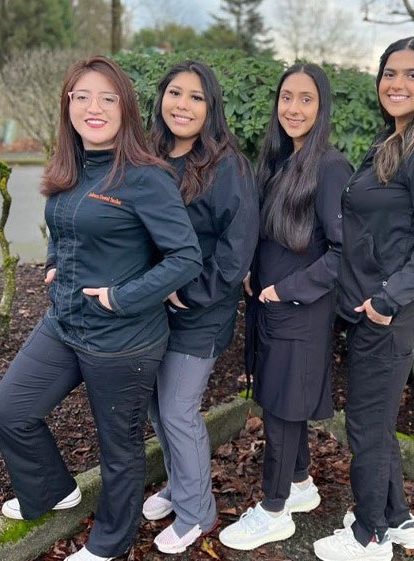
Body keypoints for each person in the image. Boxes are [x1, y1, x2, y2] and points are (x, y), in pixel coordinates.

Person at [0, 55, 202, 561]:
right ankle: (52, 491)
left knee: (119, 452)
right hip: (64, 323)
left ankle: (109, 545)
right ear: (68, 107)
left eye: (107, 98)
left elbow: (185, 255)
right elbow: (63, 224)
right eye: (81, 97)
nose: (93, 107)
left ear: (125, 109)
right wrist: (56, 262)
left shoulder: (146, 177)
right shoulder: (72, 166)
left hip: (123, 341)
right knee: (8, 413)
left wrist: (123, 296)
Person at [312, 37, 414, 561]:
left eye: (413, 75)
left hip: (394, 311)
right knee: (376, 421)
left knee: (365, 424)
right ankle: (397, 521)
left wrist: (385, 300)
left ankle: (369, 536)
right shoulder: (394, 139)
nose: (397, 84)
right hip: (374, 304)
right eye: (390, 73)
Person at [219, 63, 353, 551]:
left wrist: (285, 290)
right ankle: (299, 485)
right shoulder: (278, 160)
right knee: (283, 400)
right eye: (287, 98)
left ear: (322, 108)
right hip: (270, 308)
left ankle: (274, 509)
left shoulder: (330, 166)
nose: (293, 109)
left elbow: (345, 252)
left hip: (300, 310)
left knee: (281, 407)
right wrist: (255, 272)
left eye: (306, 99)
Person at [142, 60, 259, 554]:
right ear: (161, 98)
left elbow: (237, 248)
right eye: (175, 93)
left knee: (177, 408)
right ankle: (179, 485)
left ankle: (197, 511)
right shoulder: (149, 155)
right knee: (156, 406)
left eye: (195, 96)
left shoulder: (227, 164)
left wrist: (191, 293)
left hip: (200, 310)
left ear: (211, 107)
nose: (182, 105)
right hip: (149, 307)